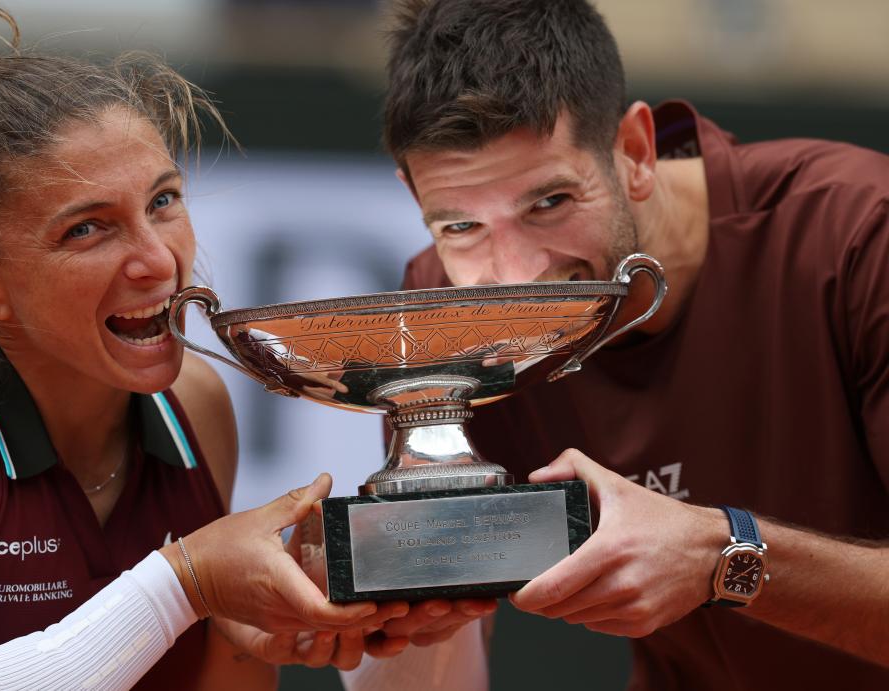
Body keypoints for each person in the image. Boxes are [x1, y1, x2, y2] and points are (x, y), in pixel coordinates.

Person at [0, 5, 412, 689]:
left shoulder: (196, 401)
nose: (159, 261)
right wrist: (186, 583)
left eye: (162, 202)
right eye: (87, 229)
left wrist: (252, 630)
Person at [379, 0, 889, 688]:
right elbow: (435, 637)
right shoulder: (441, 315)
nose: (518, 276)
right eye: (461, 227)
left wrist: (724, 554)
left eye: (550, 203)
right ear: (414, 197)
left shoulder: (859, 233)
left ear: (635, 152)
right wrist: (372, 599)